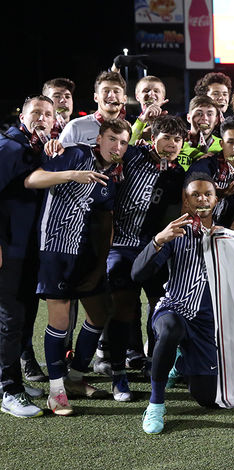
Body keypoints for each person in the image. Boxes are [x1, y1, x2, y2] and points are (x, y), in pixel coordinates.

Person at [25, 119, 131, 415]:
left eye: (123, 142)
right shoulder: (74, 153)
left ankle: (74, 376)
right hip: (55, 247)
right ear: (99, 138)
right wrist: (71, 174)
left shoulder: (112, 176)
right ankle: (56, 392)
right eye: (112, 139)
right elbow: (32, 179)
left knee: (100, 312)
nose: (117, 147)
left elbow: (104, 220)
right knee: (59, 321)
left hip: (84, 252)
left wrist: (100, 261)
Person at [105, 115, 186, 401]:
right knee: (123, 309)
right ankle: (118, 373)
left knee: (158, 308)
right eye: (166, 137)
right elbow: (116, 147)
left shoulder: (178, 174)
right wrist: (140, 120)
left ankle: (155, 363)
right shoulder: (136, 156)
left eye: (178, 140)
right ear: (152, 137)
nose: (172, 144)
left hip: (154, 247)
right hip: (121, 245)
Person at [133, 173, 221, 434]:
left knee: (208, 398)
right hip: (173, 309)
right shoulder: (175, 234)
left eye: (208, 194)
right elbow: (137, 274)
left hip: (205, 322)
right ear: (186, 201)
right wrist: (158, 240)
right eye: (195, 194)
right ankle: (156, 404)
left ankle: (179, 361)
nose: (202, 198)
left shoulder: (226, 236)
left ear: (216, 200)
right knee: (170, 330)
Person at [0, 96, 55, 418]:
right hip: (11, 249)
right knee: (10, 320)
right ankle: (9, 389)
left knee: (24, 317)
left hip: (32, 248)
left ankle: (13, 379)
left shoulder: (40, 147)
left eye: (48, 114)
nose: (42, 118)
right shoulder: (9, 146)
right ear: (23, 115)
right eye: (36, 112)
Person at [59, 71, 127, 147]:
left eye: (116, 91)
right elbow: (59, 158)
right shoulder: (75, 127)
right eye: (106, 91)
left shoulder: (129, 130)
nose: (111, 95)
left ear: (124, 99)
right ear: (96, 97)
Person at [176, 96, 223, 170]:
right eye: (199, 113)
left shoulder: (223, 146)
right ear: (188, 118)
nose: (204, 118)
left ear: (216, 120)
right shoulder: (174, 142)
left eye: (210, 114)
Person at [130, 75, 169, 143]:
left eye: (156, 91)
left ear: (163, 98)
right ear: (137, 97)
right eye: (146, 90)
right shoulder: (128, 122)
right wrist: (142, 120)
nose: (151, 94)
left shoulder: (171, 124)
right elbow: (125, 146)